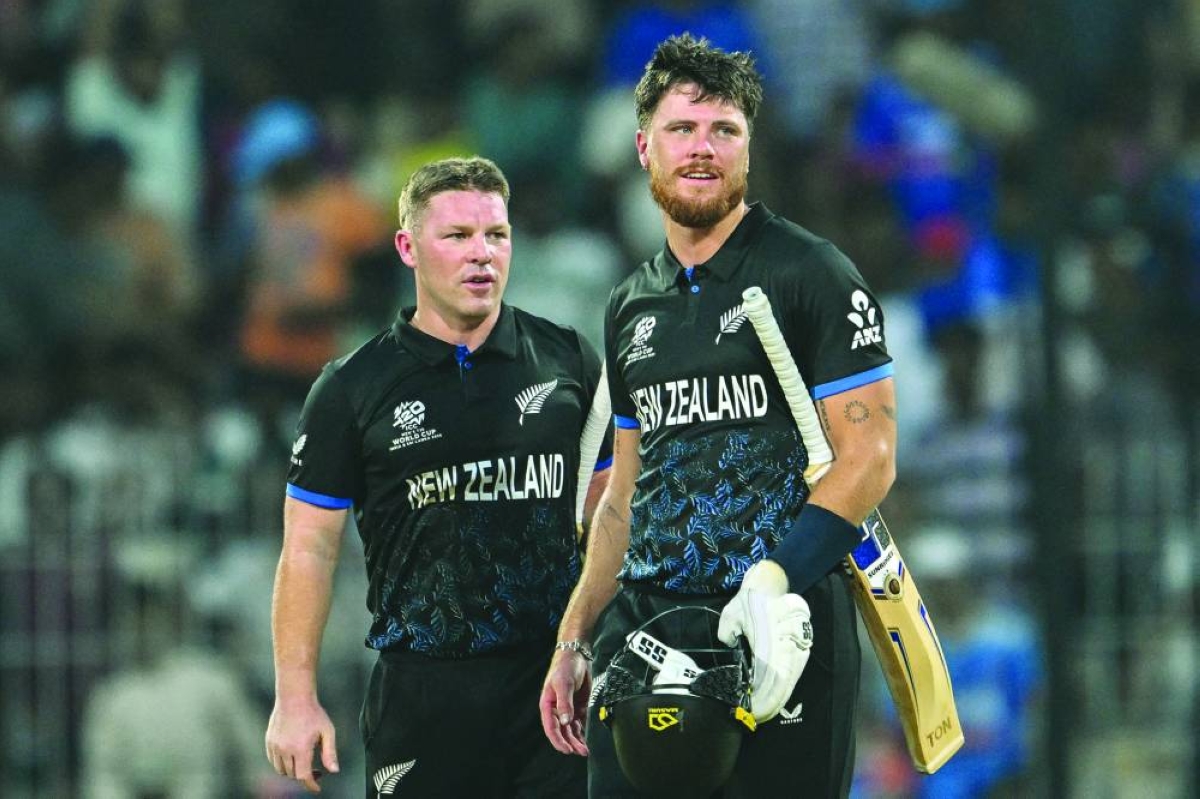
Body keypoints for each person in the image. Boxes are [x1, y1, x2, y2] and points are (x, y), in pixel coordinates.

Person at [540, 35, 897, 796]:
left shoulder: (813, 275)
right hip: (647, 636)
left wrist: (774, 579)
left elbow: (870, 456)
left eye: (723, 131)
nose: (702, 149)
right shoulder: (631, 302)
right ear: (644, 147)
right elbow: (621, 501)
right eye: (682, 129)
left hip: (782, 632)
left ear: (749, 149)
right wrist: (573, 636)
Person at [265, 156, 610, 797]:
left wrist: (594, 647)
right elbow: (308, 548)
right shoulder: (352, 387)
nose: (482, 254)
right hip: (423, 696)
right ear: (409, 247)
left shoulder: (568, 359)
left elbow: (609, 518)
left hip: (556, 687)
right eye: (457, 236)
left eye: (495, 235)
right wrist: (295, 698)